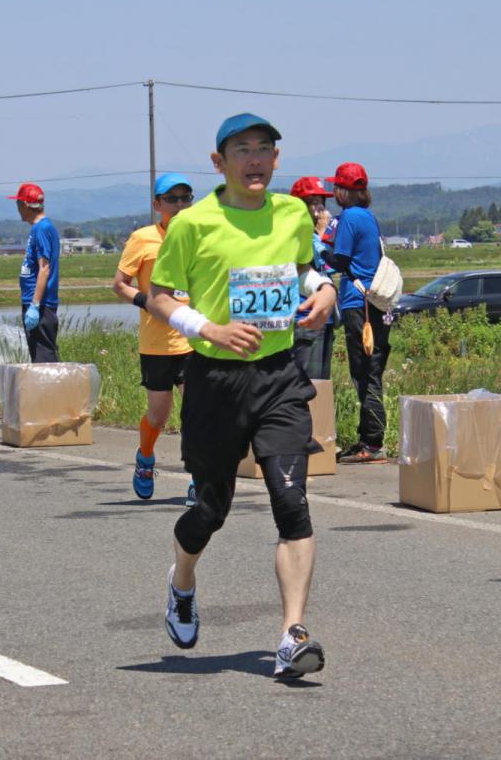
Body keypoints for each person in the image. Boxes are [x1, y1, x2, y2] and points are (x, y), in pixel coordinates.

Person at [147, 113, 337, 679]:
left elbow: (302, 268)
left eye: (265, 149)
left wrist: (323, 289)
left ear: (276, 161)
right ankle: (182, 582)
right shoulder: (194, 223)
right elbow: (157, 295)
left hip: (279, 375)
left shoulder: (292, 213)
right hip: (215, 381)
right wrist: (208, 329)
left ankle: (291, 635)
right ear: (219, 162)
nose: (255, 159)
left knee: (291, 501)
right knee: (210, 510)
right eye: (243, 149)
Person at [113, 173, 197, 504]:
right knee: (158, 417)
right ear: (157, 204)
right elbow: (120, 283)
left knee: (195, 413)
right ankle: (145, 458)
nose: (179, 205)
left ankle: (198, 478)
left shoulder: (199, 236)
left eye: (185, 198)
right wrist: (145, 301)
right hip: (157, 343)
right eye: (171, 199)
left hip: (193, 339)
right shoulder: (143, 238)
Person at [326, 162, 391, 464]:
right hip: (375, 304)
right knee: (370, 370)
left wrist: (315, 244)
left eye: (336, 188)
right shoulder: (369, 217)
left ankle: (373, 442)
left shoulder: (350, 217)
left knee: (365, 373)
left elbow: (339, 259)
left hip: (358, 303)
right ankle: (368, 437)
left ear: (343, 191)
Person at [289, 177, 338, 380]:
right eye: (313, 202)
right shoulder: (299, 235)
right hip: (305, 317)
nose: (319, 209)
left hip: (322, 318)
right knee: (310, 383)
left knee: (322, 383)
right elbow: (324, 264)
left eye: (321, 202)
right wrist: (321, 233)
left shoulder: (313, 234)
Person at [10, 183, 60, 363]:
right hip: (34, 302)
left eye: (17, 204)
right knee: (38, 355)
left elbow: (44, 268)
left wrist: (35, 305)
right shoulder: (38, 228)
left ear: (24, 205)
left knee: (44, 359)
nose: (17, 209)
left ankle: (51, 392)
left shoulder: (42, 229)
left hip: (41, 304)